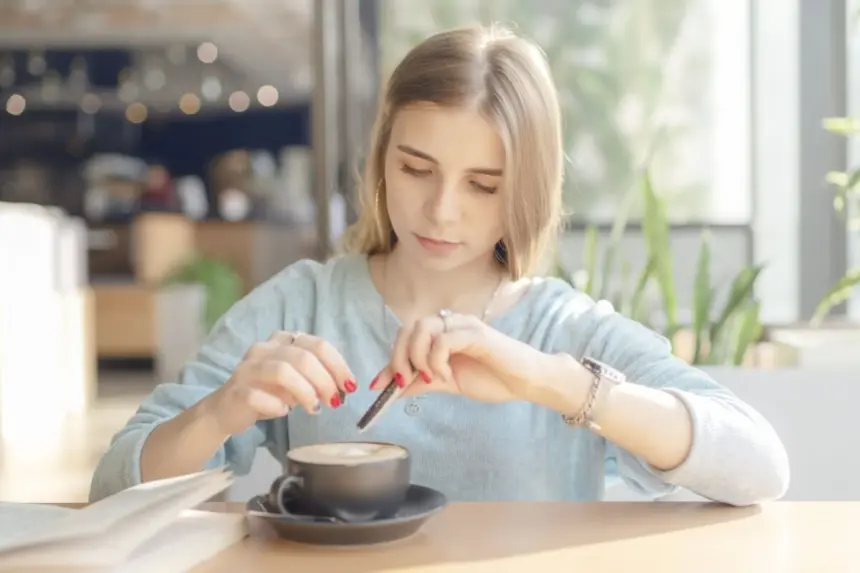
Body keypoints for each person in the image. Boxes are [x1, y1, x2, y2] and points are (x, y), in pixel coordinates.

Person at [89, 25, 789, 506]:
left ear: (528, 189)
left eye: (484, 184)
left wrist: (545, 380)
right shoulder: (298, 306)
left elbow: (761, 466)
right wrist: (219, 411)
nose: (442, 210)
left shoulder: (564, 327)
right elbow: (113, 485)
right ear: (380, 161)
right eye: (416, 168)